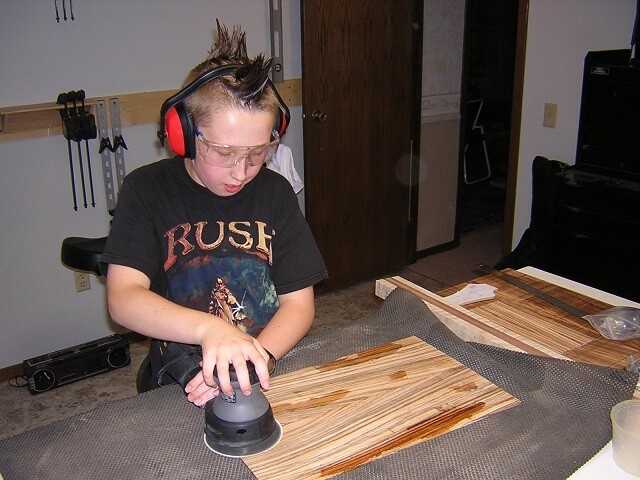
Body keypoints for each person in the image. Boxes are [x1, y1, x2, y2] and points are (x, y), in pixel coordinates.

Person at [100, 21, 327, 408]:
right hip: (179, 379)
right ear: (183, 134)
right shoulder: (146, 189)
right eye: (224, 154)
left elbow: (299, 304)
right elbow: (123, 299)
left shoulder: (275, 193)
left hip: (264, 364)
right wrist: (212, 330)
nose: (242, 171)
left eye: (257, 154)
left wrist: (256, 361)